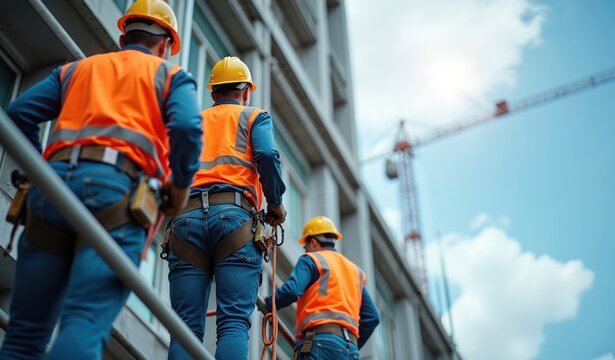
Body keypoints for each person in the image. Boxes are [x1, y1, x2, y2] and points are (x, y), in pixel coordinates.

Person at [0, 0, 202, 358]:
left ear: (124, 36)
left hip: (50, 192)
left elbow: (17, 114)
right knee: (83, 322)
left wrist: (39, 170)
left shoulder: (78, 70)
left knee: (24, 335)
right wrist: (179, 186)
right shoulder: (169, 76)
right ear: (166, 45)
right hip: (115, 197)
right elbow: (186, 127)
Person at [165, 56, 287, 360]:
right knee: (232, 323)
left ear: (212, 92)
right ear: (246, 91)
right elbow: (268, 155)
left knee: (183, 327)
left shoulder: (194, 120)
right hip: (235, 220)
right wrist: (275, 204)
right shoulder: (254, 116)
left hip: (186, 220)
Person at [265, 216, 380, 359]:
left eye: (305, 247)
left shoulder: (312, 259)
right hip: (350, 350)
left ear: (313, 242)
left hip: (320, 342)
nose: (305, 251)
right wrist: (350, 344)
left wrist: (269, 304)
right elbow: (373, 317)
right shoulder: (355, 271)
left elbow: (292, 291)